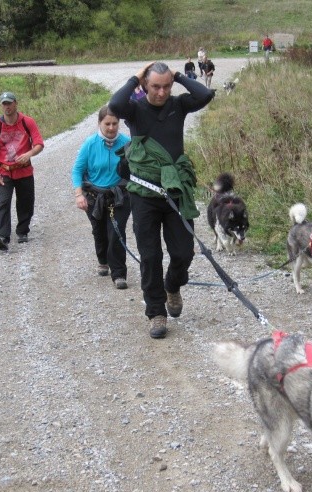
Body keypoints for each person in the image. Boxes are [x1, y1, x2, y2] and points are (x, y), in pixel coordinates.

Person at [108, 62, 215, 339]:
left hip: (175, 190)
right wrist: (136, 77)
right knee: (150, 255)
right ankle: (156, 312)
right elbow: (116, 104)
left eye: (166, 86)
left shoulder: (178, 105)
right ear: (146, 85)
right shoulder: (135, 109)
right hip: (143, 192)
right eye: (155, 86)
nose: (162, 92)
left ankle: (172, 285)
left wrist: (179, 76)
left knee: (184, 252)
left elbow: (204, 96)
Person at [72, 106, 132, 289]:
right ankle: (103, 260)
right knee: (99, 232)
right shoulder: (90, 144)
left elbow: (136, 170)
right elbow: (77, 170)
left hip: (119, 196)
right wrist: (78, 195)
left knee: (116, 232)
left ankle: (119, 274)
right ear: (100, 123)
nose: (112, 127)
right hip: (94, 197)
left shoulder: (127, 143)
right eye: (107, 124)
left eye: (115, 123)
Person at [0, 91, 45, 251]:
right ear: (1, 106)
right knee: (3, 202)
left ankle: (22, 231)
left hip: (24, 170)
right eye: (4, 104)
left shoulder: (27, 122)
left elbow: (39, 143)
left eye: (9, 103)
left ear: (15, 104)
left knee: (25, 202)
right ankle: (3, 236)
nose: (7, 107)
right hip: (4, 170)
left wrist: (29, 154)